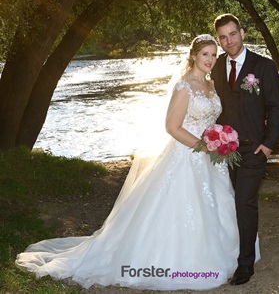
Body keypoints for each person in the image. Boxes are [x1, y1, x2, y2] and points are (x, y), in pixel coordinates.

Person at [15, 34, 240, 291]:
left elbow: (210, 120)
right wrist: (202, 145)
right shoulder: (184, 86)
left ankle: (220, 254)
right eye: (205, 54)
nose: (210, 59)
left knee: (215, 205)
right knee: (182, 207)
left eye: (213, 55)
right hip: (187, 157)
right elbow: (172, 127)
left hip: (211, 160)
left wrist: (218, 139)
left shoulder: (211, 86)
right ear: (194, 56)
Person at [211, 13, 279, 285]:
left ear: (242, 32)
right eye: (223, 37)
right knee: (229, 203)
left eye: (232, 34)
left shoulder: (263, 66)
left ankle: (245, 264)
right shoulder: (216, 65)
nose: (229, 41)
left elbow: (275, 107)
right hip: (223, 152)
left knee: (244, 203)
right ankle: (230, 252)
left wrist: (268, 145)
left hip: (254, 150)